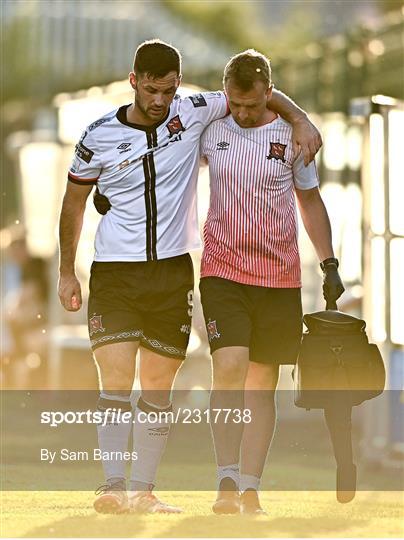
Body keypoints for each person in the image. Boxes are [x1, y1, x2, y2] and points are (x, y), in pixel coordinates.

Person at [58, 39, 322, 515]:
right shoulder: (96, 134)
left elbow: (262, 95)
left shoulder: (197, 110)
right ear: (133, 81)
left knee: (159, 386)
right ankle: (113, 485)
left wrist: (300, 118)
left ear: (179, 86)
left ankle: (143, 490)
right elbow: (74, 202)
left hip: (174, 272)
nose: (159, 101)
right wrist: (65, 272)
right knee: (116, 379)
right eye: (151, 90)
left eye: (168, 90)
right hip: (115, 272)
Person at [199, 49, 344, 514]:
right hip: (222, 271)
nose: (242, 113)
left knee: (262, 385)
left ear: (268, 94)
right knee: (229, 368)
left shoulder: (292, 136)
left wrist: (329, 263)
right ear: (226, 94)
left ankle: (250, 486)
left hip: (279, 278)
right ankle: (224, 479)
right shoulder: (210, 126)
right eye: (235, 104)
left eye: (253, 105)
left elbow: (310, 202)